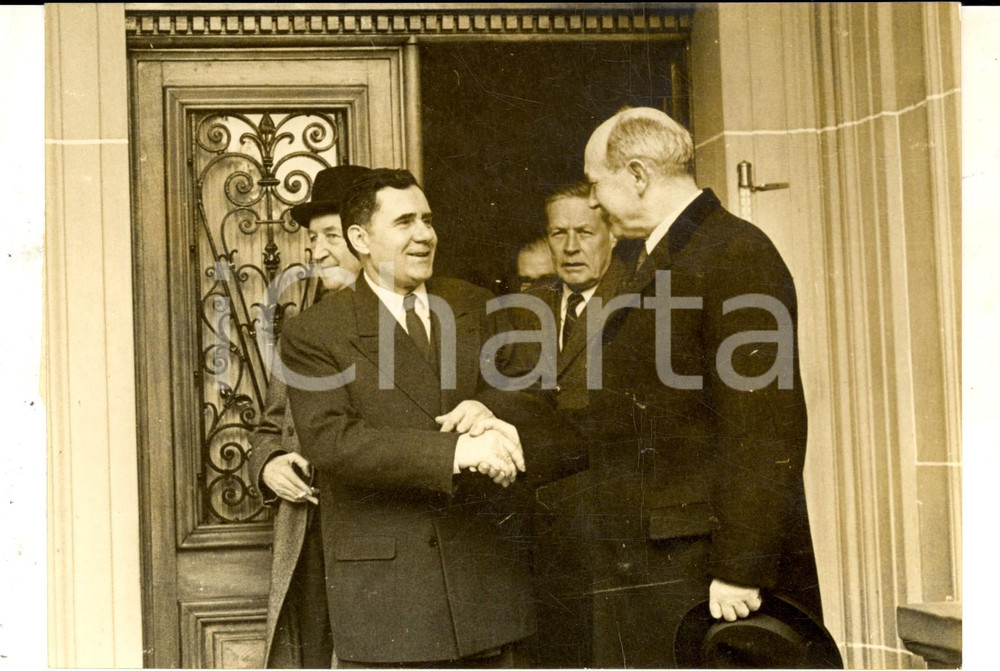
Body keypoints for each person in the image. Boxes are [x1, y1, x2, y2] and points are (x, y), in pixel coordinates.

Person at [578, 106, 821, 667]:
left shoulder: (737, 253)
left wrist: (741, 568)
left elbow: (767, 423)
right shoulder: (664, 254)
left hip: (708, 575)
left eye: (596, 184)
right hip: (664, 562)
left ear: (637, 175)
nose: (592, 201)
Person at [278, 168, 537, 667]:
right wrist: (457, 452)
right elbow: (332, 440)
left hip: (486, 588)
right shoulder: (314, 332)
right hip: (390, 601)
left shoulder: (475, 303)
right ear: (361, 239)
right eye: (404, 222)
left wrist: (491, 409)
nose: (425, 235)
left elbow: (528, 388)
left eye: (428, 220)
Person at [248, 164, 370, 668]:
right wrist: (269, 464)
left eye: (329, 236)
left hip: (377, 536)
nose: (316, 251)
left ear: (365, 239)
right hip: (312, 536)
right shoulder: (303, 328)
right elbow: (269, 426)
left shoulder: (414, 323)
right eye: (312, 238)